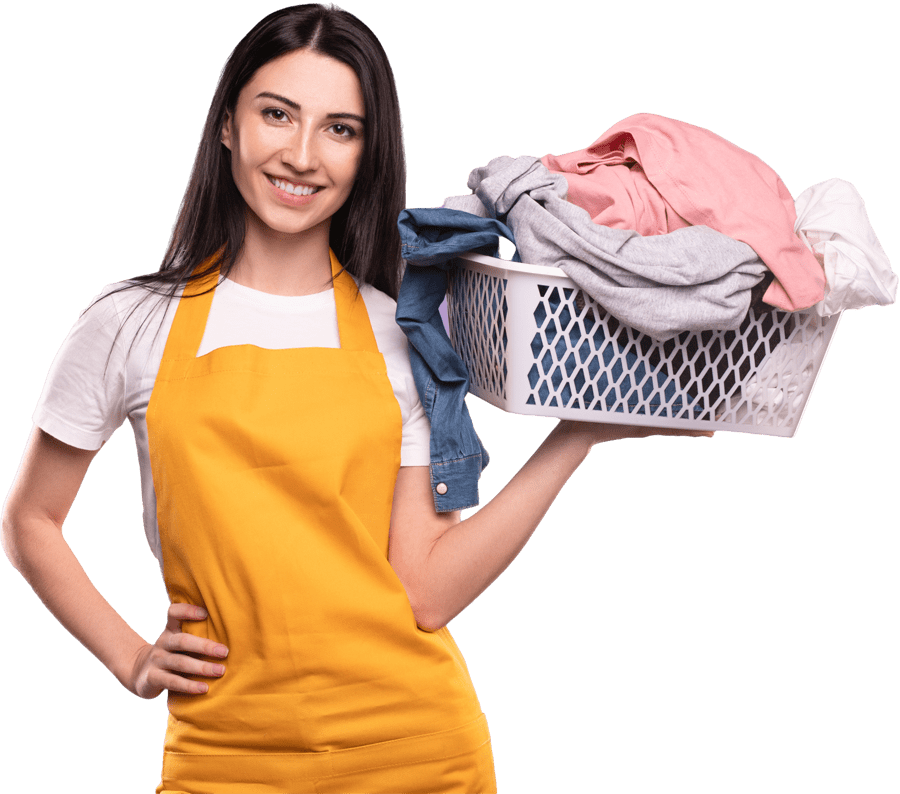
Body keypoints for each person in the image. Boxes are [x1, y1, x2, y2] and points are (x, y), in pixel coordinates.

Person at [0, 4, 712, 792]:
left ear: (368, 154)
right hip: (222, 756)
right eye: (278, 114)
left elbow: (427, 591)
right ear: (228, 125)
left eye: (340, 129)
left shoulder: (402, 332)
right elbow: (30, 519)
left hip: (418, 751)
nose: (303, 155)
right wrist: (131, 657)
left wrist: (574, 438)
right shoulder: (131, 321)